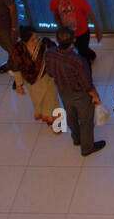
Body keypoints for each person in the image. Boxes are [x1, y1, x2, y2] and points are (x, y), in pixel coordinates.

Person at [45, 27, 105, 157]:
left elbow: (49, 72)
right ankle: (87, 147)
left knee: (71, 115)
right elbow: (86, 84)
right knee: (86, 120)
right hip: (80, 95)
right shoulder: (78, 61)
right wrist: (95, 95)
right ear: (73, 40)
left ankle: (76, 139)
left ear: (57, 40)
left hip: (63, 91)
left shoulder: (50, 53)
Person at [9, 26, 62, 127]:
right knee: (40, 102)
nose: (36, 41)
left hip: (48, 80)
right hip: (33, 84)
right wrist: (19, 84)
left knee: (51, 101)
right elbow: (16, 68)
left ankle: (55, 122)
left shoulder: (45, 44)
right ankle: (49, 121)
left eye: (36, 38)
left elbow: (57, 55)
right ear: (24, 41)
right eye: (32, 40)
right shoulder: (18, 50)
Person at [49, 0, 102, 64]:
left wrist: (97, 30)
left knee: (82, 52)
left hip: (83, 32)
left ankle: (87, 66)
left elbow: (91, 15)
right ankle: (91, 55)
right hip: (69, 33)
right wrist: (61, 29)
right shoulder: (54, 0)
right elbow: (56, 15)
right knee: (80, 48)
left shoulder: (79, 0)